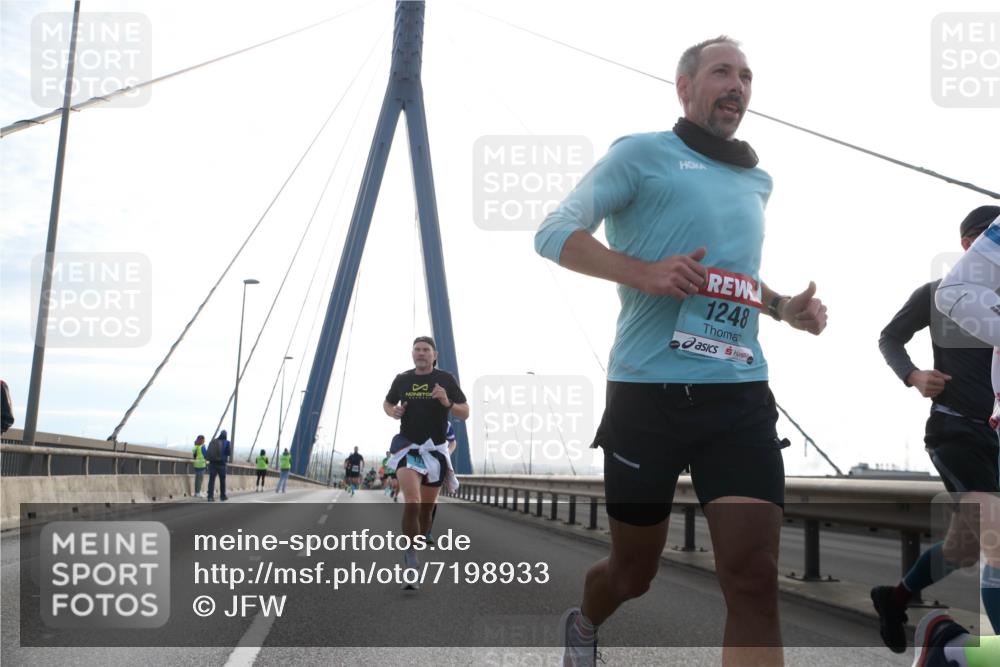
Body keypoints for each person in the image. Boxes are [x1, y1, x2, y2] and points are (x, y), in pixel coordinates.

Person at [534, 36, 827, 667]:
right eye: (723, 72)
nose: (738, 86)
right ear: (684, 86)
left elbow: (730, 276)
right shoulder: (641, 155)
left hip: (739, 394)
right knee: (633, 573)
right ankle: (585, 622)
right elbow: (553, 232)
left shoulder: (757, 178)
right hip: (647, 395)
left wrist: (782, 310)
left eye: (747, 76)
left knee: (753, 577)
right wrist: (644, 273)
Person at [872, 205, 1000, 653]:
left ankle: (895, 598)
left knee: (964, 549)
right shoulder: (939, 292)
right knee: (997, 534)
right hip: (954, 429)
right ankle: (994, 648)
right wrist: (914, 376)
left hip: (994, 437)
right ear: (969, 244)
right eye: (989, 235)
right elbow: (889, 337)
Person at [384, 336, 470, 589]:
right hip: (407, 445)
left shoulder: (446, 380)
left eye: (426, 350)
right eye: (417, 350)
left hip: (435, 450)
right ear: (412, 353)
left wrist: (447, 403)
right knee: (412, 501)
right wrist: (393, 411)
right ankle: (411, 559)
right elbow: (388, 403)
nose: (421, 353)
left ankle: (417, 541)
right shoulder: (402, 379)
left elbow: (465, 412)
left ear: (435, 355)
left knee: (425, 511)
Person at [206, 429, 231, 502]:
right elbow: (228, 453)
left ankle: (210, 497)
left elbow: (208, 452)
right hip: (222, 464)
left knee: (211, 480)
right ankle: (222, 496)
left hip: (212, 464)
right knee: (222, 481)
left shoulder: (213, 441)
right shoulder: (227, 442)